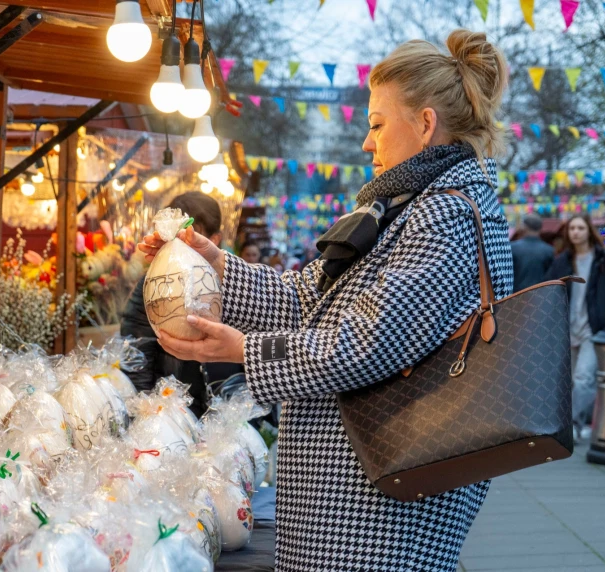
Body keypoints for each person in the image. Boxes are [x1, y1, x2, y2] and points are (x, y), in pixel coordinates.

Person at [140, 30, 513, 571]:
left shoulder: (445, 214)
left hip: (380, 511)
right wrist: (213, 264)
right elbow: (305, 300)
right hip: (354, 498)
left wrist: (244, 351)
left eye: (377, 125)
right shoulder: (404, 207)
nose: (366, 142)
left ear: (426, 123)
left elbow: (365, 343)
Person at [120, 191, 230, 417]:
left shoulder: (235, 284)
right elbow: (137, 349)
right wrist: (147, 410)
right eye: (177, 236)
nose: (183, 243)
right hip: (173, 408)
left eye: (192, 235)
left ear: (215, 239)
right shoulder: (155, 285)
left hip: (226, 408)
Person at [546, 214, 605, 438]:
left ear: (589, 231)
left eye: (580, 228)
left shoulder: (603, 260)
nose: (576, 232)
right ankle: (580, 424)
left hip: (592, 328)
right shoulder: (562, 261)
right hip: (566, 328)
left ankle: (570, 425)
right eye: (572, 228)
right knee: (571, 382)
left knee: (584, 378)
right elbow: (548, 290)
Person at [510, 213, 554, 292]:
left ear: (524, 227)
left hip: (517, 295)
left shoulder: (512, 248)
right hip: (541, 295)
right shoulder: (550, 250)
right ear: (540, 228)